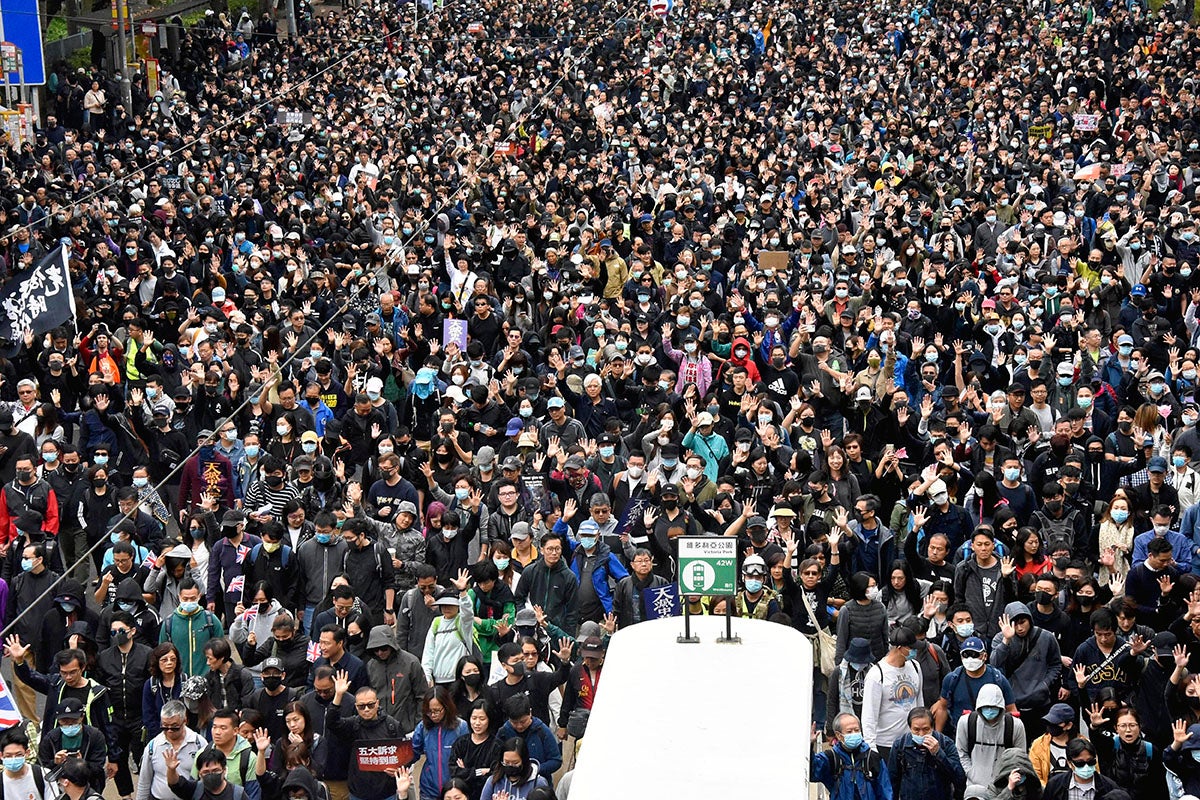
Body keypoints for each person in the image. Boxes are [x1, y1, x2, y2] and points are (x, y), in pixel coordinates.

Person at [327, 669, 407, 800]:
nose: (366, 710)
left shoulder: (392, 725)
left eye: (370, 705)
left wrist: (398, 770)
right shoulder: (353, 724)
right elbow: (331, 723)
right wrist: (339, 695)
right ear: (356, 706)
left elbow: (406, 755)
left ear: (377, 703)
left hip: (387, 792)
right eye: (361, 706)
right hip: (359, 792)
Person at [861, 628, 923, 759]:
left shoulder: (915, 667)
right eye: (911, 648)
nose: (915, 651)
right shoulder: (877, 674)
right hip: (885, 743)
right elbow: (869, 715)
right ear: (900, 648)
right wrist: (871, 748)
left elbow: (919, 702)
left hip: (911, 740)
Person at [954, 683, 1026, 786]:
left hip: (1005, 785)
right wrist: (971, 773)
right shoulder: (966, 722)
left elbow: (1020, 756)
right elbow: (960, 751)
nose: (989, 710)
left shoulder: (1015, 725)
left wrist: (1009, 777)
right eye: (986, 706)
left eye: (993, 707)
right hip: (974, 786)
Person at [886, 707, 965, 800]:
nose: (921, 734)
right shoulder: (900, 746)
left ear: (932, 727)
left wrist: (938, 753)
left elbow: (959, 777)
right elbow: (892, 780)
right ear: (910, 728)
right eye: (916, 730)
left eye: (926, 729)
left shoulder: (945, 743)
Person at [811, 713, 891, 800]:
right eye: (849, 731)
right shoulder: (831, 758)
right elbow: (813, 771)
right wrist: (809, 745)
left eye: (857, 730)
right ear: (839, 735)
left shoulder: (873, 758)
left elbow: (885, 792)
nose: (854, 733)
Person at [137, 701, 207, 800]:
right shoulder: (153, 746)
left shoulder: (199, 744)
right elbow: (144, 782)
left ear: (185, 721)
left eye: (175, 727)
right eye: (165, 726)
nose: (169, 730)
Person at [409, 687, 469, 800]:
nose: (433, 715)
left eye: (437, 711)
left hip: (453, 790)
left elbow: (468, 756)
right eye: (429, 712)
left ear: (446, 707)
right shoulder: (423, 727)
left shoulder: (461, 727)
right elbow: (413, 753)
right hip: (429, 788)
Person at [421, 572, 475, 686]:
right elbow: (428, 652)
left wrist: (463, 592)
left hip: (459, 680)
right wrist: (427, 677)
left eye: (451, 605)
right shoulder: (436, 622)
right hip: (438, 681)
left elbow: (468, 612)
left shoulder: (463, 622)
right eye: (443, 605)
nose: (447, 608)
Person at [494, 695, 561, 778]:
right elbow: (495, 758)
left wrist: (535, 769)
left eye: (523, 722)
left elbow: (556, 760)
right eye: (514, 723)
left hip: (538, 781)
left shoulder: (542, 731)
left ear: (530, 712)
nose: (519, 726)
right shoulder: (503, 733)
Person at [1041, 739, 1121, 800]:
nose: (1086, 766)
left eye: (1090, 762)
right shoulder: (1055, 785)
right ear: (1069, 763)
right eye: (1080, 763)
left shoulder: (1109, 787)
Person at [478, 737, 550, 800]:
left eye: (515, 763)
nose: (510, 766)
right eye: (506, 762)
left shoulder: (538, 783)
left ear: (524, 761)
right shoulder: (493, 781)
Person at [0, 726, 53, 800]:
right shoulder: (2, 781)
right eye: (8, 756)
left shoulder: (43, 775)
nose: (13, 759)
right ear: (1, 755)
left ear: (27, 753)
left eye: (18, 755)